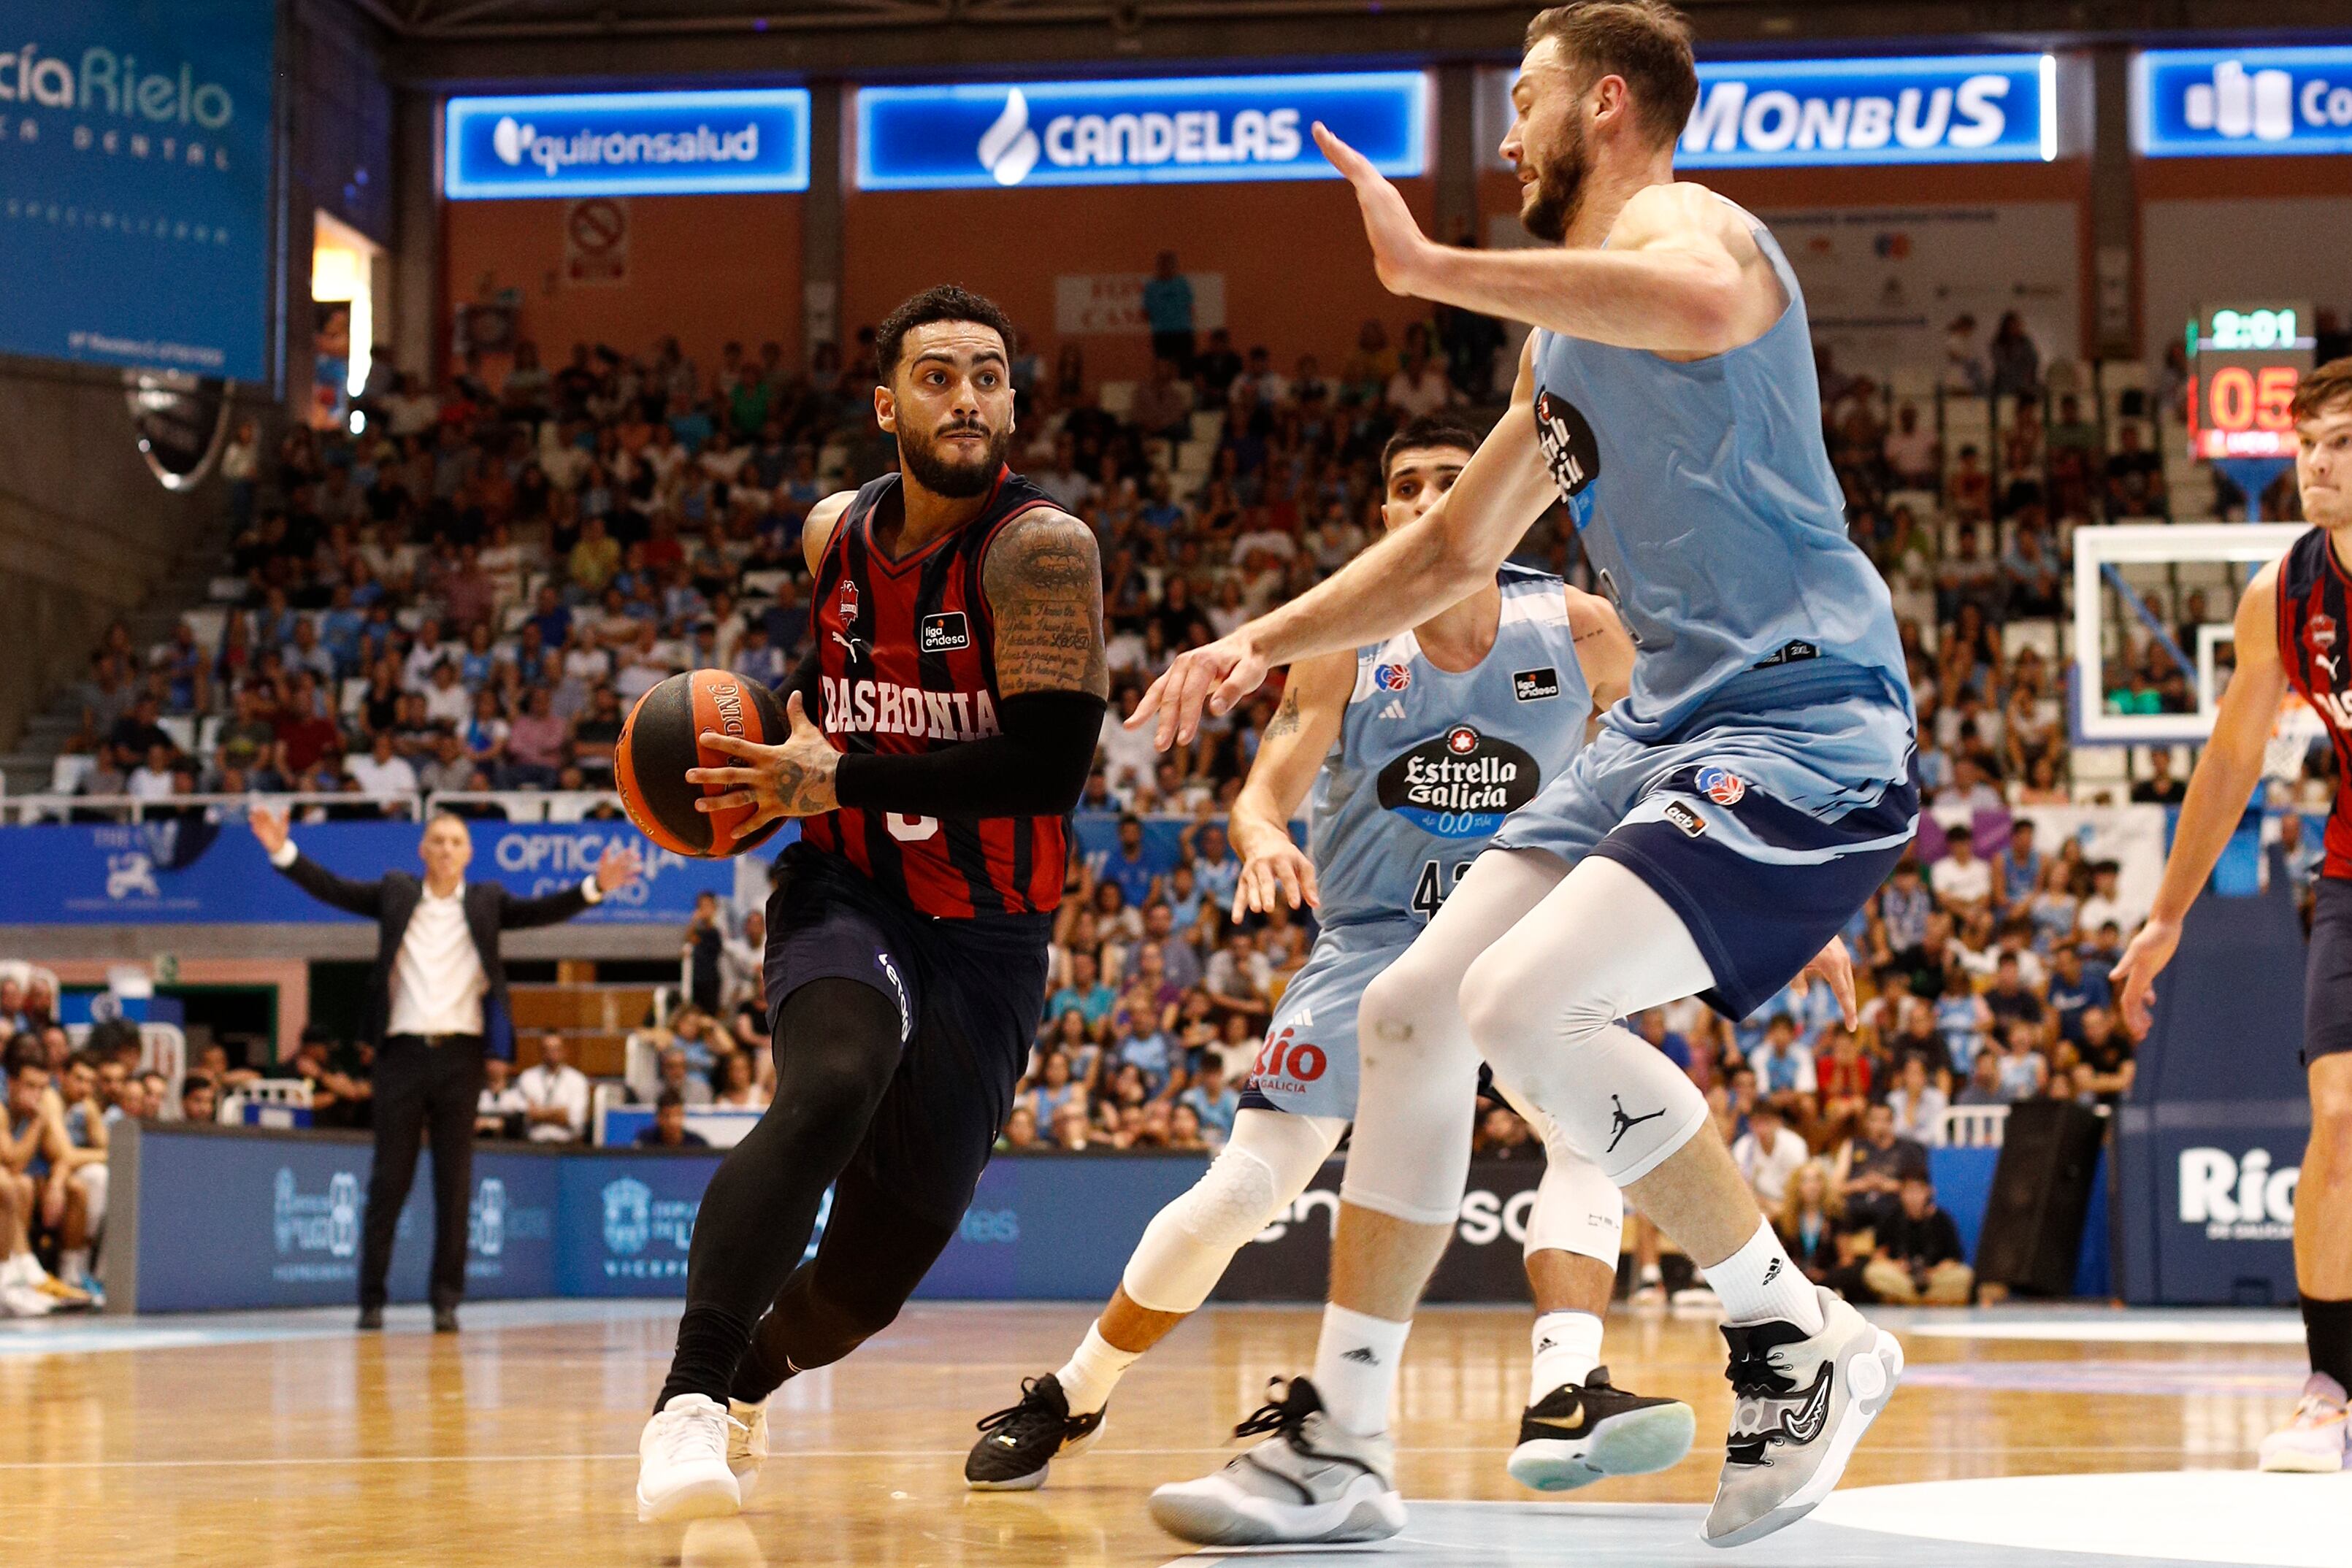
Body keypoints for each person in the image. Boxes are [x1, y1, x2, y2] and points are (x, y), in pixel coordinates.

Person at [1131, 4, 1910, 1545]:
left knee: (1519, 1004)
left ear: (1604, 105)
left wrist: (1430, 271)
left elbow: (1693, 306)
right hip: (1658, 733)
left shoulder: (1701, 231)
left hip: (1800, 720)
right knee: (1411, 1007)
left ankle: (1789, 1336)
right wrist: (1251, 641)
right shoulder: (1562, 353)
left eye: (1526, 101)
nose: (1502, 136)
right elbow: (1442, 550)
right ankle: (1340, 1447)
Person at [965, 415, 1692, 1502]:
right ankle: (1077, 1389)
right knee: (1244, 1190)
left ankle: (1566, 1388)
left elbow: (1674, 760)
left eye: (1454, 479)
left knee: (1593, 1143)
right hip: (1375, 946)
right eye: (1409, 486)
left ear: (1507, 494)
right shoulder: (1349, 642)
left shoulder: (1581, 630)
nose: (1432, 499)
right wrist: (1259, 835)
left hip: (1522, 945)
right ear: (1385, 514)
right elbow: (1267, 788)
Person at [634, 287, 1109, 1523]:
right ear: (887, 402)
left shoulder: (1040, 547)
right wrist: (776, 755)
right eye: (941, 375)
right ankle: (683, 1404)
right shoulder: (830, 535)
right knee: (832, 1079)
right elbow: (831, 678)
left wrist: (832, 769)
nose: (969, 397)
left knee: (867, 1284)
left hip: (992, 930)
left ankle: (746, 1380)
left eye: (990, 376)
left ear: (1013, 399)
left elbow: (1046, 769)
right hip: (852, 884)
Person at [2111, 357, 2352, 1474]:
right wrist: (2164, 917)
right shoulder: (2286, 592)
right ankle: (2329, 1392)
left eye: (2342, 441)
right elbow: (2230, 761)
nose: (2316, 460)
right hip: (2350, 870)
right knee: (2339, 1117)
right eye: (2308, 440)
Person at [249, 805, 640, 1332]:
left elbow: (540, 910)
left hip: (461, 1056)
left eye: (456, 842)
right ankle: (371, 1300)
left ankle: (446, 1301)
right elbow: (333, 888)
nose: (447, 850)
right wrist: (281, 850)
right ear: (422, 850)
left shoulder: (485, 902)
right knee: (389, 1180)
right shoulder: (395, 893)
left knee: (454, 1185)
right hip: (401, 1054)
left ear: (468, 853)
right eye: (438, 840)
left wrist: (595, 885)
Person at [635, 1089, 710, 1148]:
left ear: (683, 1116)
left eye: (676, 1115)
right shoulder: (645, 1141)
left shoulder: (698, 1144)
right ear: (658, 1118)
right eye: (667, 1116)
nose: (672, 1121)